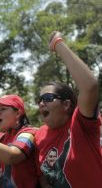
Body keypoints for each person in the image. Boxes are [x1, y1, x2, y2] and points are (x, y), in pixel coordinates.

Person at [35, 31, 102, 188]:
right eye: (40, 100)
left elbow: (90, 86)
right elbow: (43, 175)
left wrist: (58, 43)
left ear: (66, 105)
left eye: (48, 98)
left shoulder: (80, 122)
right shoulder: (39, 135)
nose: (41, 104)